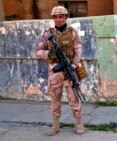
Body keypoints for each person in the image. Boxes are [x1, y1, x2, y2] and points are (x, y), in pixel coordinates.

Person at [35, 6, 85, 136]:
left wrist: (74, 64)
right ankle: (55, 125)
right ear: (53, 18)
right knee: (55, 99)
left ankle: (78, 124)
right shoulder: (47, 34)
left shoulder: (72, 32)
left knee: (74, 99)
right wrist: (49, 54)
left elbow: (78, 49)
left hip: (69, 69)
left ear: (65, 17)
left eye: (61, 16)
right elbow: (38, 52)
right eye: (56, 17)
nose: (58, 19)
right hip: (55, 71)